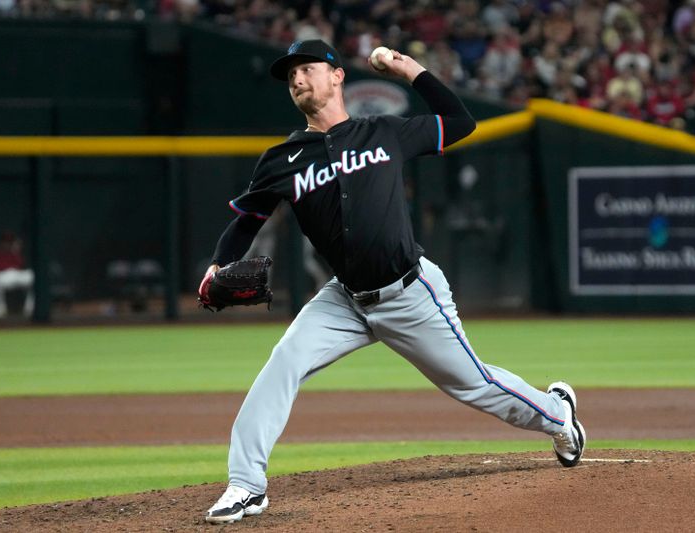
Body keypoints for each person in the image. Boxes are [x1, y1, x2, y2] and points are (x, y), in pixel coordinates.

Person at [199, 39, 585, 525]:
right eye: (290, 74)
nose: (297, 79)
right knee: (283, 364)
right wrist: (218, 266)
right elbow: (246, 221)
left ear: (338, 76)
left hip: (409, 292)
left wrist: (410, 70)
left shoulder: (383, 131)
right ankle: (246, 484)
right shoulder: (282, 159)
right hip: (343, 300)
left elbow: (461, 123)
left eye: (307, 68)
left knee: (475, 384)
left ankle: (557, 415)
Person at [0, 231, 34, 317]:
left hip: (16, 274)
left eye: (9, 242)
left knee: (33, 276)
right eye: (5, 241)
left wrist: (15, 252)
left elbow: (20, 264)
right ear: (1, 242)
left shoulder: (14, 252)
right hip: (2, 275)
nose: (7, 244)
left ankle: (30, 308)